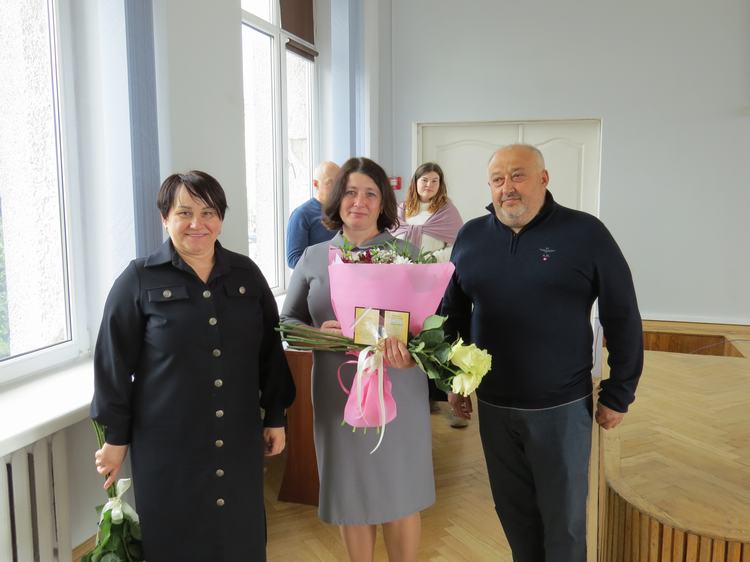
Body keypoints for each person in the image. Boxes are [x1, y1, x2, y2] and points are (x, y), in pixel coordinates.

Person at [441, 144, 643, 562]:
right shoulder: (471, 236)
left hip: (561, 408)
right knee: (515, 517)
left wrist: (619, 392)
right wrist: (452, 380)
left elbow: (622, 314)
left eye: (518, 175)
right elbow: (452, 316)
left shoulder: (586, 233)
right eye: (498, 179)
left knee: (563, 525)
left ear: (544, 179)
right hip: (494, 406)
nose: (507, 188)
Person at [90, 171, 295, 562]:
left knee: (240, 539)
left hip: (237, 438)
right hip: (167, 445)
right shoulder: (138, 280)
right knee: (174, 541)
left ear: (221, 218)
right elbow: (112, 364)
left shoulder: (247, 275)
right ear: (165, 218)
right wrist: (116, 439)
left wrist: (275, 416)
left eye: (208, 212)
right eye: (184, 213)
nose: (197, 223)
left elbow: (270, 352)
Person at [281, 157, 435, 562]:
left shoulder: (408, 255)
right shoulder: (314, 257)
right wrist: (319, 334)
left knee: (400, 490)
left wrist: (414, 353)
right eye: (350, 192)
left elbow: (433, 329)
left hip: (399, 386)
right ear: (336, 198)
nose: (359, 202)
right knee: (351, 492)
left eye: (370, 193)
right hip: (338, 391)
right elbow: (287, 324)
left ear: (383, 202)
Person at [391, 162, 466, 427]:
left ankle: (452, 399)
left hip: (437, 285)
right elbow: (391, 241)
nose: (429, 185)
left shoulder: (447, 211)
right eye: (425, 180)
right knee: (414, 338)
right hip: (406, 287)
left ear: (440, 185)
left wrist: (428, 260)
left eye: (434, 181)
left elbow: (457, 247)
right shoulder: (402, 210)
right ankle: (424, 395)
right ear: (416, 182)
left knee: (440, 338)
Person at [286, 160, 340, 268]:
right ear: (316, 184)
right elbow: (294, 260)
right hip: (315, 278)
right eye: (330, 183)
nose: (336, 188)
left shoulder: (344, 212)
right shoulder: (301, 215)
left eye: (339, 182)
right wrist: (334, 260)